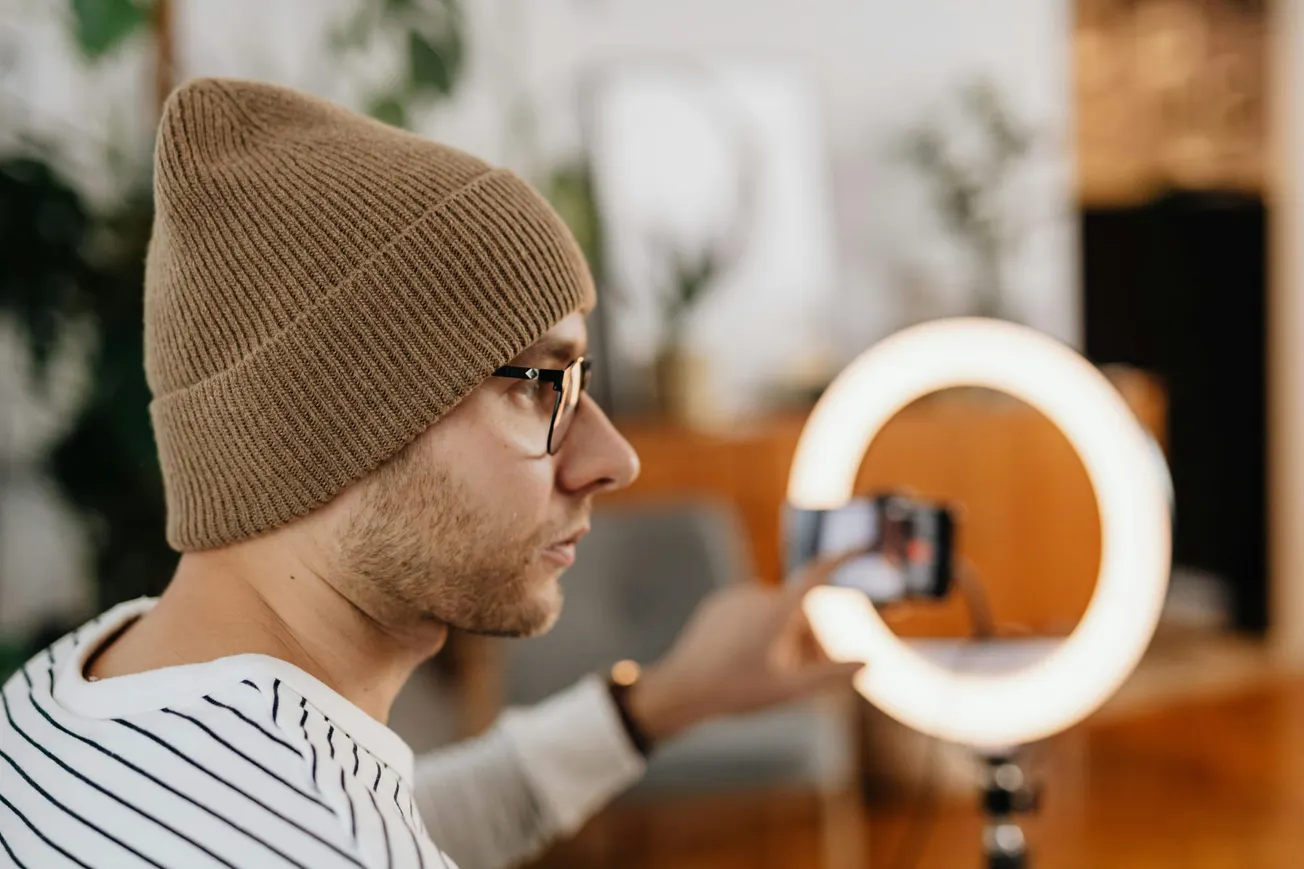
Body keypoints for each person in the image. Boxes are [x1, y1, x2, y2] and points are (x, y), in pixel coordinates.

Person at [0, 78, 864, 869]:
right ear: (334, 415)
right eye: (539, 384)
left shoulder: (77, 688)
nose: (614, 458)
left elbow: (400, 819)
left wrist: (665, 701)